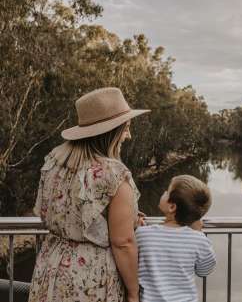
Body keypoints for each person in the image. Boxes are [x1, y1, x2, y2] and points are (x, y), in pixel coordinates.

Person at [28, 87, 150, 302]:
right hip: (90, 276)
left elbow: (64, 212)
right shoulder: (114, 174)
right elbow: (123, 242)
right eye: (126, 128)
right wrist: (133, 292)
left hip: (49, 268)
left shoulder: (55, 163)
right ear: (110, 132)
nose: (129, 135)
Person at [136, 175, 216, 302]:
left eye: (167, 192)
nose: (164, 192)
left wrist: (137, 228)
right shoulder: (198, 239)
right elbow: (204, 270)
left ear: (172, 207)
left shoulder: (142, 234)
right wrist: (198, 232)